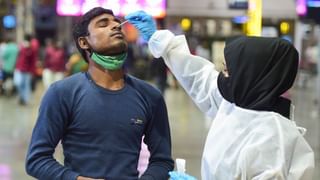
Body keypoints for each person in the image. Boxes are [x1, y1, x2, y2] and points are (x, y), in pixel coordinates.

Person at [125, 11, 315, 179]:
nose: (221, 77)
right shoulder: (240, 104)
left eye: (227, 71)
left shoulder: (273, 141)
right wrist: (161, 40)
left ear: (249, 76)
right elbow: (199, 78)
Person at [25, 7, 173, 180]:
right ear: (84, 42)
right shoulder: (62, 93)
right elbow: (37, 160)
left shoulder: (150, 96)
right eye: (103, 24)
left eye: (118, 23)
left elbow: (162, 161)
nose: (116, 26)